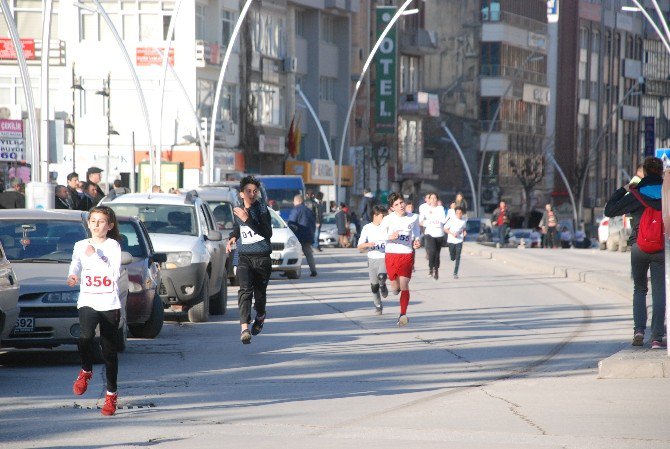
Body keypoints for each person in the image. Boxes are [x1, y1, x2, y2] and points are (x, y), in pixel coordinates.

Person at [604, 156, 666, 349]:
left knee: (639, 289)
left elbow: (609, 210)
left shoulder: (636, 194)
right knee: (659, 292)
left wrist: (624, 189)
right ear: (661, 171)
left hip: (639, 247)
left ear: (645, 172)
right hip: (662, 248)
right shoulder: (668, 192)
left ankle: (639, 330)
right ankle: (656, 337)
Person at [67, 205, 123, 416]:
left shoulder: (113, 246)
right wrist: (73, 275)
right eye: (93, 221)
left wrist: (97, 255)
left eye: (101, 222)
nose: (96, 225)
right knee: (85, 337)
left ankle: (111, 395)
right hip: (88, 299)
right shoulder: (80, 245)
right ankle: (86, 370)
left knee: (109, 351)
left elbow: (113, 273)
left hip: (108, 302)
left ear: (109, 226)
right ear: (88, 223)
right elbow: (75, 264)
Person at [225, 176, 273, 345]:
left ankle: (260, 315)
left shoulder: (261, 209)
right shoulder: (238, 210)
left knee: (259, 296)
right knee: (245, 290)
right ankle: (244, 328)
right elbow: (239, 226)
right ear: (241, 194)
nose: (252, 194)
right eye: (248, 191)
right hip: (245, 257)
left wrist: (248, 220)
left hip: (262, 259)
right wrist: (233, 236)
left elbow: (267, 233)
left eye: (255, 191)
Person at [380, 192, 421, 326]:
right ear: (392, 207)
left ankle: (403, 315)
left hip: (406, 254)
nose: (400, 206)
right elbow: (380, 234)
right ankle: (391, 286)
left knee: (404, 284)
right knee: (395, 287)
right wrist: (389, 237)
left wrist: (417, 241)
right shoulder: (388, 219)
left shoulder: (414, 217)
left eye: (401, 202)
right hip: (391, 254)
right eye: (396, 204)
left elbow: (416, 234)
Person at [357, 205, 389, 315]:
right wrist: (367, 244)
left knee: (382, 276)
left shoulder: (387, 227)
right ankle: (378, 306)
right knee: (374, 286)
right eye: (382, 216)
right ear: (375, 216)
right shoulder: (367, 228)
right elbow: (359, 246)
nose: (384, 218)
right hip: (372, 259)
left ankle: (383, 285)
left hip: (384, 257)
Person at [287, 194, 318, 277]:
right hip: (308, 235)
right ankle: (313, 270)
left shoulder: (296, 210)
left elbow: (291, 223)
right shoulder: (309, 210)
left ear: (298, 201)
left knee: (295, 254)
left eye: (294, 201)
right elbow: (313, 223)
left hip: (298, 236)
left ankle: (294, 272)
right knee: (308, 254)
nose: (293, 203)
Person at [419, 192, 447, 280]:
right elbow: (421, 221)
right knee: (432, 251)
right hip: (429, 233)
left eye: (435, 198)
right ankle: (431, 268)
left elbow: (443, 220)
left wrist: (436, 220)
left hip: (439, 233)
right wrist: (427, 222)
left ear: (437, 200)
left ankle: (436, 270)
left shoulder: (440, 208)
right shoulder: (425, 209)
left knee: (437, 253)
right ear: (429, 200)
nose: (433, 200)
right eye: (431, 198)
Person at [444, 206, 467, 279]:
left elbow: (463, 228)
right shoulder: (451, 220)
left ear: (462, 213)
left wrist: (464, 232)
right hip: (451, 240)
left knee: (458, 257)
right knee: (452, 257)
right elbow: (445, 229)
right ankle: (452, 257)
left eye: (460, 213)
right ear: (455, 213)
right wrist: (452, 233)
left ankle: (455, 273)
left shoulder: (464, 221)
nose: (459, 215)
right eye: (457, 213)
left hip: (459, 240)